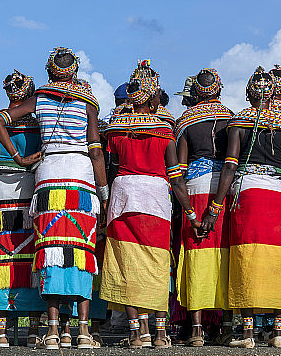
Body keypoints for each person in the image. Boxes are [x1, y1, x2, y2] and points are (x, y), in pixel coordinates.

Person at [0, 47, 108, 350]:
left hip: (48, 182)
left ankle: (54, 330)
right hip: (81, 183)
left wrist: (19, 158)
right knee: (82, 253)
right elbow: (96, 151)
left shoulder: (39, 98)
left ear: (50, 71)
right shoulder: (87, 102)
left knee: (51, 252)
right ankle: (83, 332)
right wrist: (105, 192)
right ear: (75, 71)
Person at [199, 67, 281, 349]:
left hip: (246, 193)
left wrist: (216, 205)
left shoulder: (240, 121)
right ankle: (278, 333)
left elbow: (230, 165)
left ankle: (247, 334)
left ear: (248, 93)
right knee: (278, 261)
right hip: (277, 196)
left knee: (247, 258)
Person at [99, 65, 198, 348]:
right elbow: (177, 181)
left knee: (126, 263)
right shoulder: (164, 132)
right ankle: (159, 333)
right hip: (155, 198)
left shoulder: (116, 131)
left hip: (124, 195)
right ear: (153, 98)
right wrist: (190, 213)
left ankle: (136, 332)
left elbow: (113, 164)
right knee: (156, 263)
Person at [0, 70, 44, 347]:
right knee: (30, 258)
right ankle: (32, 330)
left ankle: (1, 332)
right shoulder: (38, 123)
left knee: (0, 257)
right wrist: (22, 159)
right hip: (27, 190)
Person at [175, 69, 234, 346]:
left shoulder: (185, 121)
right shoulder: (232, 118)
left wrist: (186, 209)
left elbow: (181, 169)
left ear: (196, 93)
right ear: (218, 89)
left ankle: (196, 329)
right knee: (224, 255)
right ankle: (224, 325)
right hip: (224, 191)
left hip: (195, 188)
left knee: (197, 254)